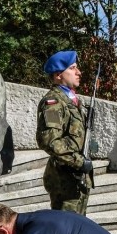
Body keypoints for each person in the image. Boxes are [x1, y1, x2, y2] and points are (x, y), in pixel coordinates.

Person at [36, 50, 95, 214]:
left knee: (78, 229)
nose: (79, 72)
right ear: (58, 75)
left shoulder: (72, 101)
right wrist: (78, 162)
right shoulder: (53, 103)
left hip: (77, 177)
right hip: (65, 179)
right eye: (73, 68)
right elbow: (50, 141)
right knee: (67, 231)